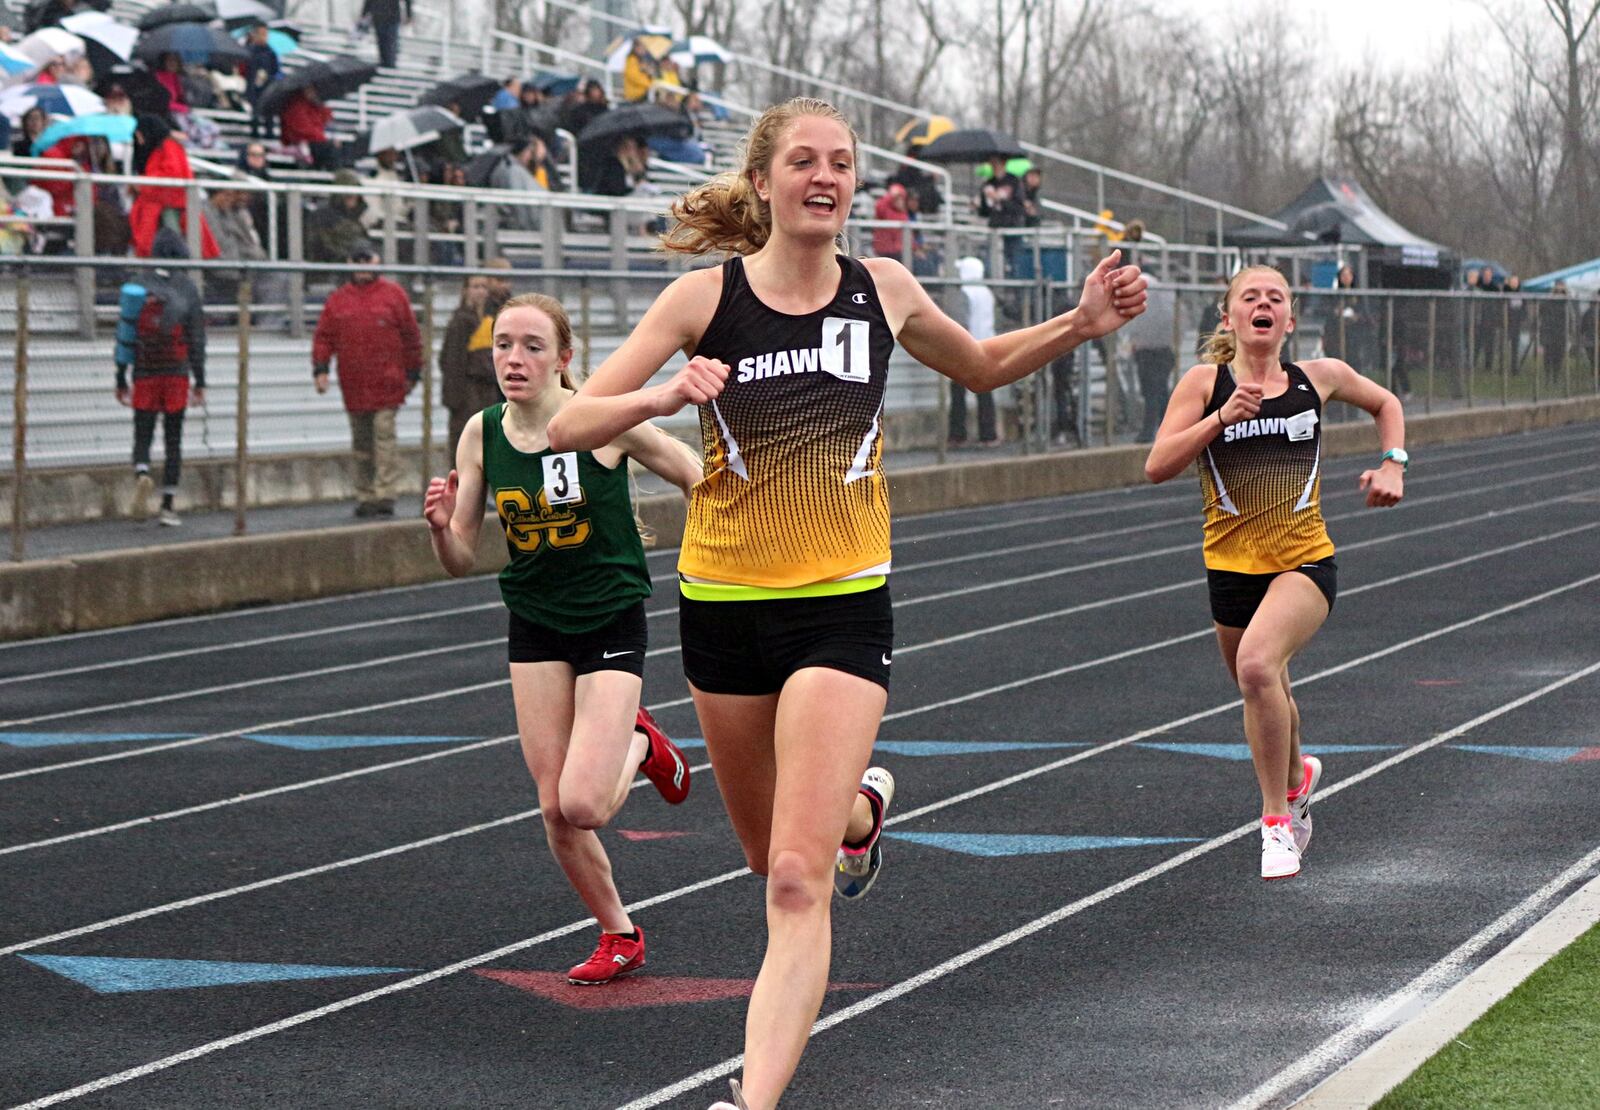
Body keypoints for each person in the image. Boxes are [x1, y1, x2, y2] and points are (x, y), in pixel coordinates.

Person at [544, 97, 1146, 1110]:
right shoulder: (703, 299)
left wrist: (1079, 325)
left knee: (792, 878)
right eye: (805, 161)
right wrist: (659, 398)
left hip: (841, 606)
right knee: (761, 853)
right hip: (723, 606)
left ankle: (750, 1100)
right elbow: (567, 421)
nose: (825, 176)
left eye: (841, 162)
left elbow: (985, 367)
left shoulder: (885, 289)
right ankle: (863, 810)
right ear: (767, 181)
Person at [424, 292, 703, 985]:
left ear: (564, 359)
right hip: (536, 622)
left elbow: (692, 473)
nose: (514, 359)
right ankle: (620, 932)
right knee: (556, 811)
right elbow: (461, 555)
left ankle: (641, 741)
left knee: (584, 801)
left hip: (608, 615)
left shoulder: (600, 424)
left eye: (531, 346)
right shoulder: (480, 432)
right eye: (504, 346)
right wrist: (438, 529)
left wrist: (729, 551)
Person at [1143, 265, 1405, 882]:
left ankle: (1276, 823)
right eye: (1250, 297)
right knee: (1266, 686)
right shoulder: (1204, 383)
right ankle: (1296, 778)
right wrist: (1219, 420)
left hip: (1304, 561)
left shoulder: (1321, 377)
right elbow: (1157, 464)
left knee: (1258, 666)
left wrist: (1393, 463)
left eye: (1276, 298)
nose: (1263, 305)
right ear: (1229, 317)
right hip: (1230, 568)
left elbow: (1386, 403)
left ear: (1290, 320)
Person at [312, 244, 423, 517]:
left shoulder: (394, 296)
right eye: (357, 260)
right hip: (355, 383)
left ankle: (384, 492)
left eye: (367, 260)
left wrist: (412, 372)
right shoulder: (338, 300)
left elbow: (411, 337)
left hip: (387, 381)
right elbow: (324, 337)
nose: (363, 266)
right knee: (362, 442)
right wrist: (320, 368)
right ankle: (366, 493)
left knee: (383, 436)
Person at [114, 227, 206, 527]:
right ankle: (168, 506)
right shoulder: (187, 288)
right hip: (176, 373)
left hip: (144, 372)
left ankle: (142, 473)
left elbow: (125, 334)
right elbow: (196, 337)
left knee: (143, 434)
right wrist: (200, 379)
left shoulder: (138, 285)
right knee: (173, 439)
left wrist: (120, 377)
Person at [438, 258, 511, 459]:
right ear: (466, 290)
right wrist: (454, 399)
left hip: (487, 392)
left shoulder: (488, 318)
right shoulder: (461, 321)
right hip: (467, 394)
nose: (480, 291)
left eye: (483, 287)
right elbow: (451, 362)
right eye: (475, 286)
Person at [128, 114, 220, 259]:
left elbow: (172, 173)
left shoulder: (168, 146)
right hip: (162, 201)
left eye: (140, 134)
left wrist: (142, 183)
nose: (139, 139)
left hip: (172, 204)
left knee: (172, 237)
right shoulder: (164, 147)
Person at [945, 255, 999, 447]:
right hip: (988, 346)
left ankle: (958, 434)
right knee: (985, 393)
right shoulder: (987, 293)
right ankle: (988, 435)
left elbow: (961, 323)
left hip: (968, 349)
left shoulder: (964, 293)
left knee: (958, 393)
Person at [1128, 273, 1177, 443]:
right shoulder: (1164, 304)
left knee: (1152, 393)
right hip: (1160, 351)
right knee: (1160, 392)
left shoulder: (1153, 307)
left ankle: (1149, 431)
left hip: (1151, 352)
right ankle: (1166, 429)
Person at [279, 86, 335, 169]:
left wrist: (320, 104)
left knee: (332, 147)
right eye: (310, 90)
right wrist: (322, 138)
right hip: (302, 140)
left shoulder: (313, 104)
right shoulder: (296, 105)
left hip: (313, 140)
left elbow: (326, 118)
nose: (313, 93)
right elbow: (302, 128)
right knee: (328, 148)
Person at [242, 21, 280, 138]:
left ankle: (269, 132)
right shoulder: (249, 51)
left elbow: (275, 69)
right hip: (253, 85)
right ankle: (255, 131)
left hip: (267, 85)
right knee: (255, 110)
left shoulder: (271, 52)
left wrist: (268, 77)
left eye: (266, 34)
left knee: (269, 110)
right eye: (261, 34)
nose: (264, 37)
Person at [361, 0, 411, 68]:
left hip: (389, 16)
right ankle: (385, 62)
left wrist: (409, 14)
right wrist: (364, 13)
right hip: (380, 15)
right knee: (382, 41)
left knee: (389, 41)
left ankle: (389, 62)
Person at [870, 182, 909, 259]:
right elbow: (879, 207)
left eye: (902, 199)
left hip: (898, 251)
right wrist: (891, 195)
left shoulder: (903, 214)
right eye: (897, 199)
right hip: (883, 249)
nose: (900, 202)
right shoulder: (884, 207)